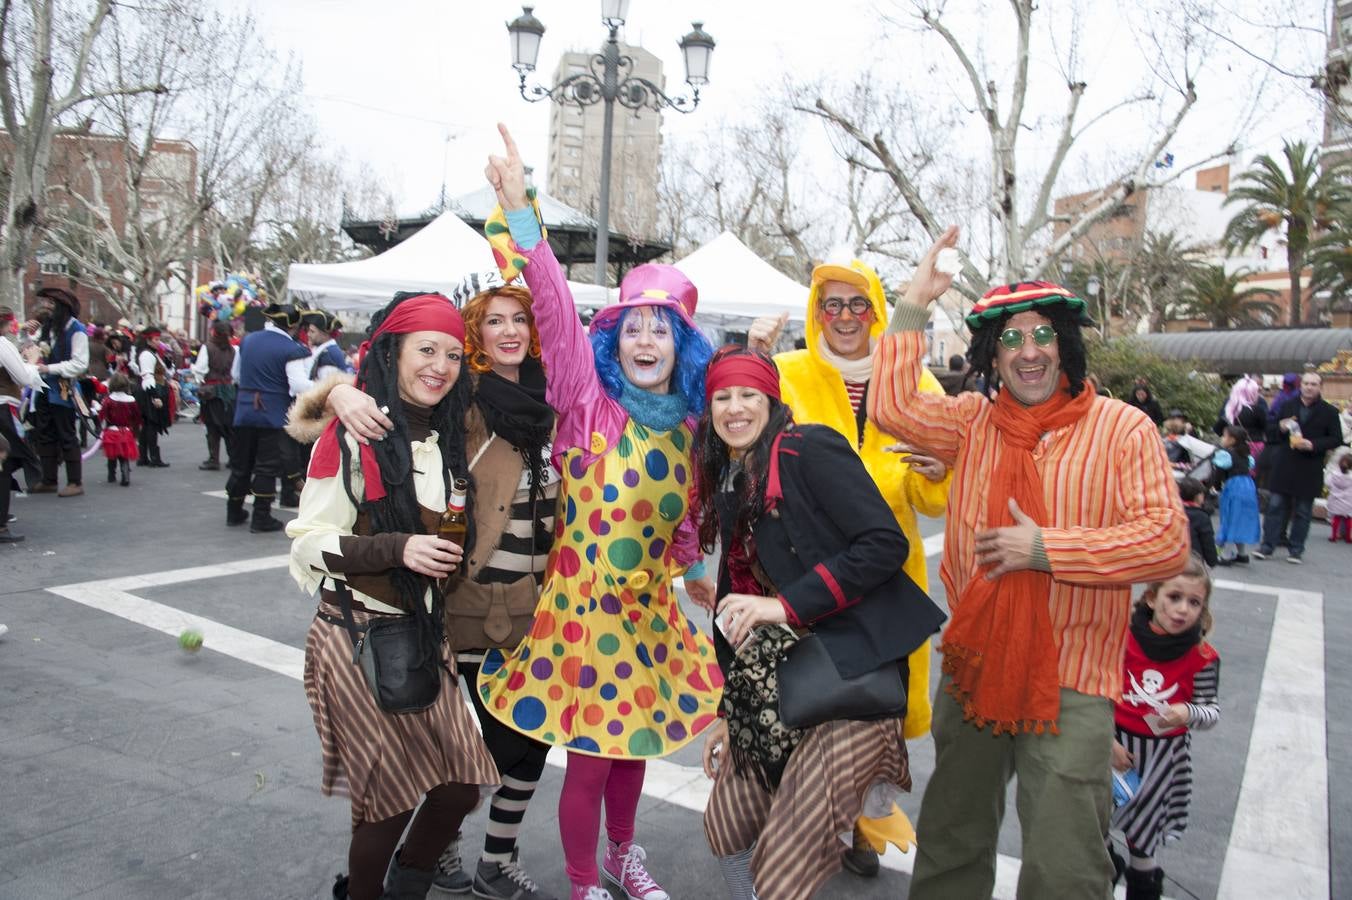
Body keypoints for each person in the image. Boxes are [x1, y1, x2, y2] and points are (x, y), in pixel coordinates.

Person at [868, 226, 1189, 900]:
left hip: (1071, 681)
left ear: (1065, 345)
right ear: (991, 353)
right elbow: (892, 407)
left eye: (1042, 335)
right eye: (1011, 339)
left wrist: (1044, 548)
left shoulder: (1122, 427)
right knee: (951, 845)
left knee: (1065, 867)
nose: (1029, 351)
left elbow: (1166, 540)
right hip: (975, 668)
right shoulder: (971, 423)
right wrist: (914, 304)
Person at [476, 123, 719, 900]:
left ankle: (622, 856)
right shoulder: (587, 399)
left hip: (647, 616)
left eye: (664, 328)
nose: (648, 337)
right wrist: (522, 215)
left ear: (683, 347)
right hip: (581, 618)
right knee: (589, 755)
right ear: (616, 336)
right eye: (636, 324)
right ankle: (582, 883)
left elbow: (678, 523)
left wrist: (691, 571)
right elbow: (548, 301)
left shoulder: (688, 428)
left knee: (633, 748)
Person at [293, 275, 560, 900]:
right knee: (388, 796)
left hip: (421, 631)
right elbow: (306, 541)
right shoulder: (355, 434)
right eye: (424, 351)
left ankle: (405, 880)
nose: (439, 366)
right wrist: (397, 546)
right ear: (393, 353)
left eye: (447, 352)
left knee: (461, 786)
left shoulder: (442, 435)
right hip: (356, 635)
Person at [692, 345, 946, 900]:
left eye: (748, 395)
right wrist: (726, 711)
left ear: (772, 400)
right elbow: (736, 600)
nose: (735, 409)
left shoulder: (811, 449)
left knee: (784, 862)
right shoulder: (736, 480)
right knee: (726, 825)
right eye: (722, 397)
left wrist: (785, 606)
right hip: (776, 684)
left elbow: (885, 544)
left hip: (851, 684)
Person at [745, 256, 951, 876]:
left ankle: (860, 819)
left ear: (877, 312)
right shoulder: (785, 374)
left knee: (874, 704)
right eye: (830, 305)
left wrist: (940, 475)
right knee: (809, 699)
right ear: (816, 312)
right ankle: (802, 828)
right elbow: (742, 439)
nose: (844, 317)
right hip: (805, 572)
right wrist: (754, 359)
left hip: (887, 570)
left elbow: (929, 497)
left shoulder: (914, 384)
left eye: (857, 304)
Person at [1109, 555, 1220, 900]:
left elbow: (1211, 710)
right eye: (1174, 597)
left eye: (1194, 602)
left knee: (1143, 841)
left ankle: (1143, 887)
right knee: (1093, 825)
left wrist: (1187, 712)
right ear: (1152, 597)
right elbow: (1101, 690)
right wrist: (1106, 741)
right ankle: (1105, 872)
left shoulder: (1202, 656)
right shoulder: (1124, 638)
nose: (1182, 609)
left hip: (1162, 759)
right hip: (1114, 750)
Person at [227, 303, 312, 532]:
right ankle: (261, 517)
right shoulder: (292, 348)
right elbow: (298, 385)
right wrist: (328, 386)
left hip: (244, 411)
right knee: (266, 467)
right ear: (294, 325)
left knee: (241, 464)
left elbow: (235, 375)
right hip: (273, 415)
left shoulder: (247, 340)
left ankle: (233, 511)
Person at [1255, 372, 1344, 564]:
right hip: (1285, 464)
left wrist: (1313, 444)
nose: (1309, 387)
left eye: (1314, 384)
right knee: (1275, 506)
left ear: (1321, 387)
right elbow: (1271, 434)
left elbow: (1336, 439)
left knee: (1303, 511)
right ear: (1300, 385)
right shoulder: (1288, 405)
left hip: (1309, 467)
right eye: (1306, 383)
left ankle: (1296, 549)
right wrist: (1280, 427)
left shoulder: (1329, 411)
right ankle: (1267, 546)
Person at [26, 287, 88, 496]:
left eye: (51, 304)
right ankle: (49, 479)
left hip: (63, 387)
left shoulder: (76, 329)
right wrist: (27, 334)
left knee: (66, 433)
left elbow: (80, 364)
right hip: (43, 387)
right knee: (45, 432)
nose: (46, 307)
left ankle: (75, 482)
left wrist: (49, 368)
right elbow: (31, 352)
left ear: (62, 307)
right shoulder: (49, 328)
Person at [0, 305, 43, 542]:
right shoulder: (2, 344)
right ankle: (0, 524)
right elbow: (24, 378)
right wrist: (33, 361)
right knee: (7, 462)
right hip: (3, 410)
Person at [192, 320, 238, 471]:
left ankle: (214, 459)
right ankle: (233, 458)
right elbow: (236, 373)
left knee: (212, 426)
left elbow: (200, 369)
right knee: (228, 426)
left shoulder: (208, 347)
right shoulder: (234, 350)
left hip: (211, 392)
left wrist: (198, 378)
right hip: (228, 390)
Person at [1212, 426, 1260, 565]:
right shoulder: (1247, 456)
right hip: (1248, 487)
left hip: (1233, 487)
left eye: (1224, 436)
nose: (1222, 438)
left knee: (1229, 519)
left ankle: (1226, 554)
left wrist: (1216, 487)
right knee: (1240, 519)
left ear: (1232, 440)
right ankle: (1242, 553)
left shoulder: (1226, 454)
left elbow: (1218, 474)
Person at [132, 325, 172, 468]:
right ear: (148, 340)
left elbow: (166, 373)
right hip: (149, 390)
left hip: (151, 389)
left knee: (148, 424)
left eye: (158, 339)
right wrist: (154, 396)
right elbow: (147, 375)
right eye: (156, 339)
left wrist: (167, 363)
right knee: (151, 424)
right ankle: (153, 457)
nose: (158, 341)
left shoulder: (152, 353)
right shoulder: (147, 355)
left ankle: (143, 457)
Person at [1213, 375, 1266, 470]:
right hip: (1252, 449)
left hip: (1231, 450)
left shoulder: (1229, 407)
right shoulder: (1257, 409)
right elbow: (1267, 428)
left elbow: (1217, 429)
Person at [99, 372, 141, 487]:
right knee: (124, 456)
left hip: (112, 431)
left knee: (111, 455)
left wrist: (102, 431)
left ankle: (111, 475)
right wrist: (135, 433)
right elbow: (137, 418)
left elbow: (103, 416)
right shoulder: (131, 400)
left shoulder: (108, 400)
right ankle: (125, 474)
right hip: (126, 431)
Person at [304, 310, 356, 382]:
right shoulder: (326, 350)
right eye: (309, 331)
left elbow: (325, 387)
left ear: (325, 334)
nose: (308, 334)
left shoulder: (329, 355)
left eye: (312, 331)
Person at [1176, 477, 1217, 567]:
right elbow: (1207, 542)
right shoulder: (1201, 516)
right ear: (1198, 496)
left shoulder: (1173, 511)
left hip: (1172, 559)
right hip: (1193, 562)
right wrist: (1212, 561)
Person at [1325, 453, 1352, 543]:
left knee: (1336, 518)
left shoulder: (1333, 474)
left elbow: (1327, 483)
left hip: (1335, 499)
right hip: (1348, 501)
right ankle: (1348, 537)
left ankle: (1334, 536)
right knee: (1348, 519)